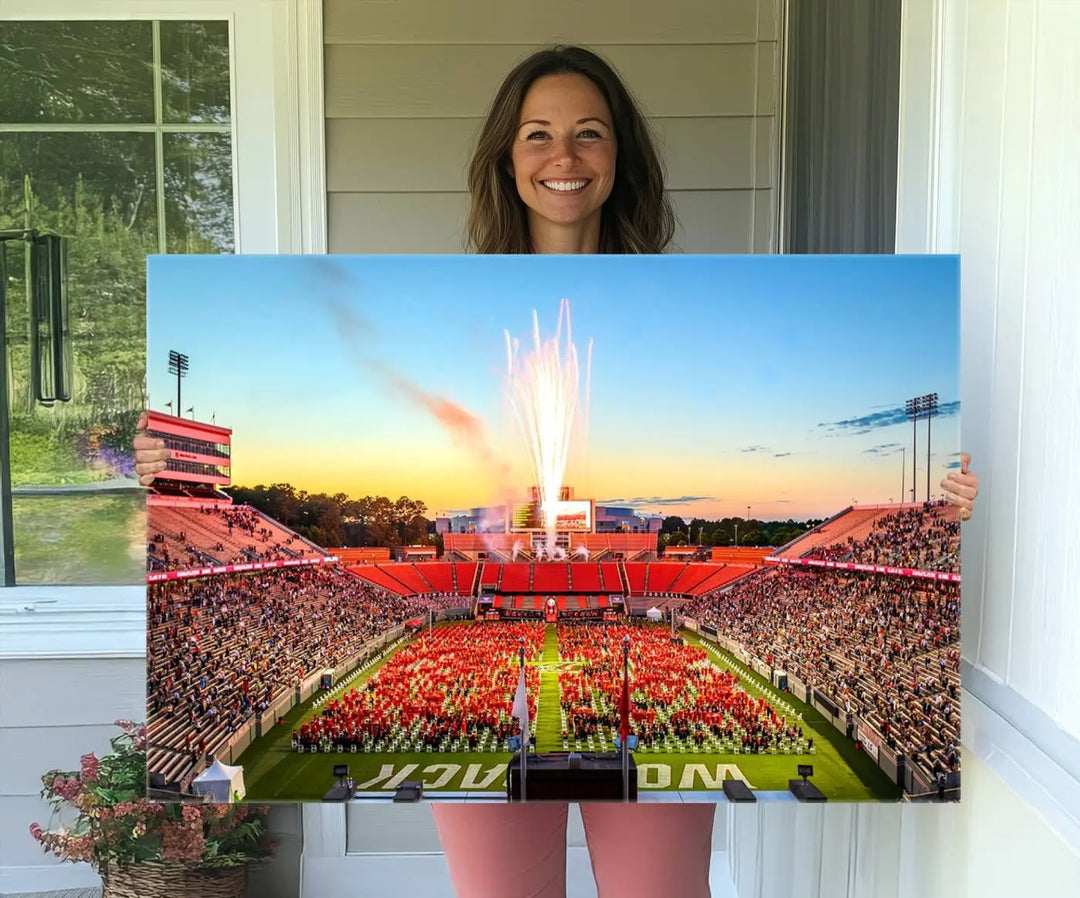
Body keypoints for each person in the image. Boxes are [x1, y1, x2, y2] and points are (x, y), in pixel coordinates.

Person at [133, 44, 980, 898]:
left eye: (589, 134)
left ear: (621, 158)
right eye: (537, 134)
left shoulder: (678, 298)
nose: (563, 157)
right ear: (507, 156)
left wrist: (939, 508)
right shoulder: (447, 298)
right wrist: (161, 477)